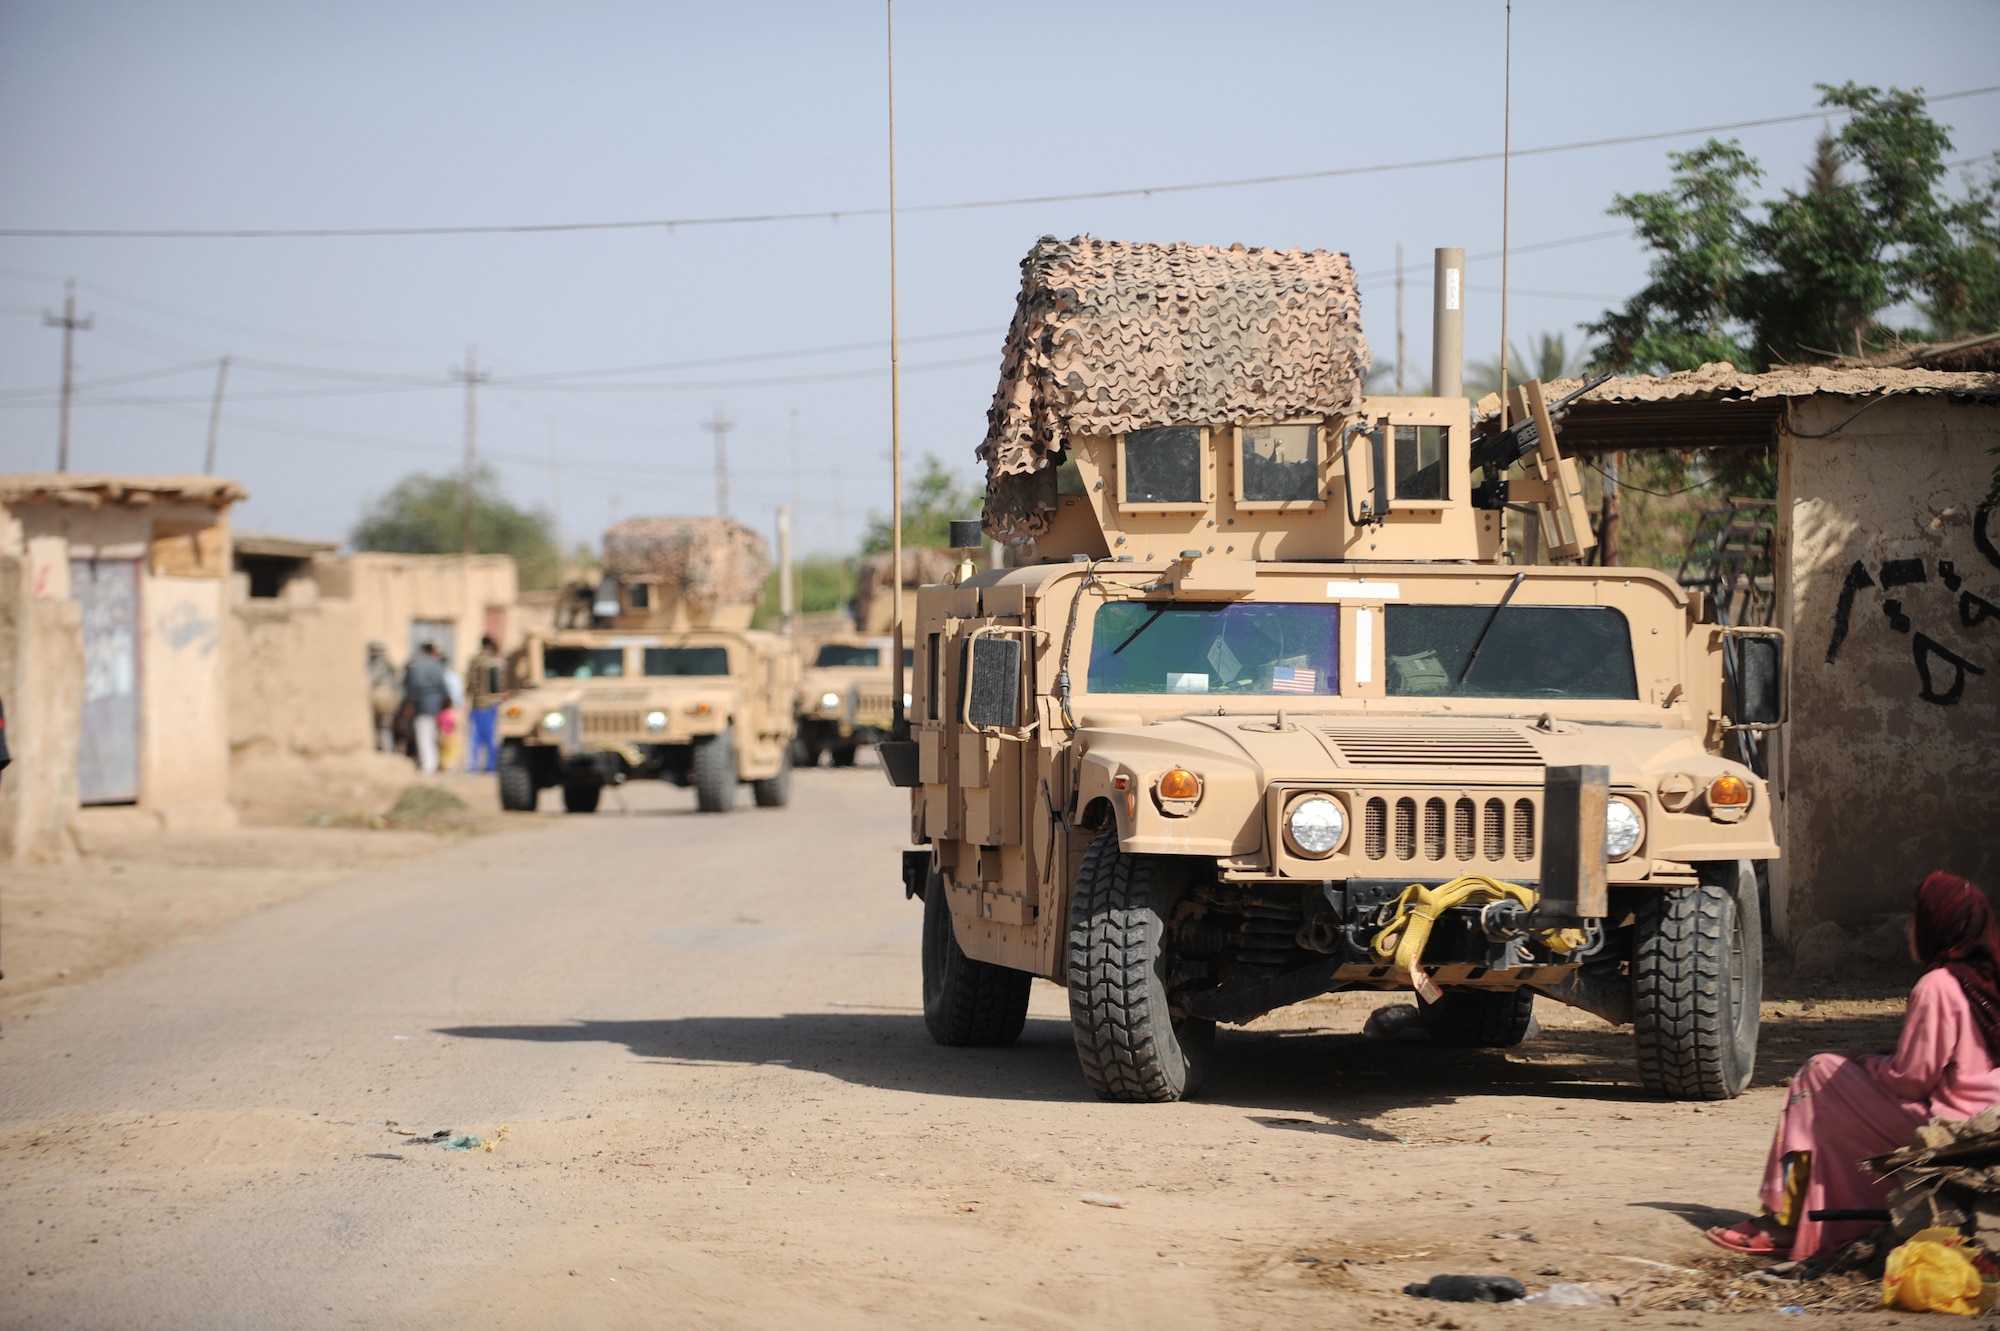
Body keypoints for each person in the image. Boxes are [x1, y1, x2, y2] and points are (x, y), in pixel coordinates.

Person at [1707, 871, 2000, 1259]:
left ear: (1938, 926)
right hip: (1987, 1120)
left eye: (1917, 918)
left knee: (1814, 1078)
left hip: (1950, 1124)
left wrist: (1866, 1061)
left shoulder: (1938, 986)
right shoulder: (1986, 981)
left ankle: (1786, 1219)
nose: (1909, 928)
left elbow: (1912, 1080)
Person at [402, 641, 449, 776]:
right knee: (434, 735)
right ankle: (433, 763)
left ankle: (428, 766)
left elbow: (410, 688)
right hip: (436, 706)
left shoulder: (415, 666)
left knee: (423, 736)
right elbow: (443, 686)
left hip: (421, 705)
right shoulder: (437, 665)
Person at [466, 636, 505, 773]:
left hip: (477, 704)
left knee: (475, 738)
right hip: (491, 704)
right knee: (491, 737)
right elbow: (501, 685)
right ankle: (491, 766)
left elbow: (469, 682)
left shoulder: (474, 661)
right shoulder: (496, 661)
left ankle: (473, 767)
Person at [366, 642, 401, 754]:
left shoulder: (379, 664)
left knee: (384, 729)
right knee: (384, 729)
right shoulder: (388, 664)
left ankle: (386, 753)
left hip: (383, 699)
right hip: (388, 699)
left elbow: (372, 679)